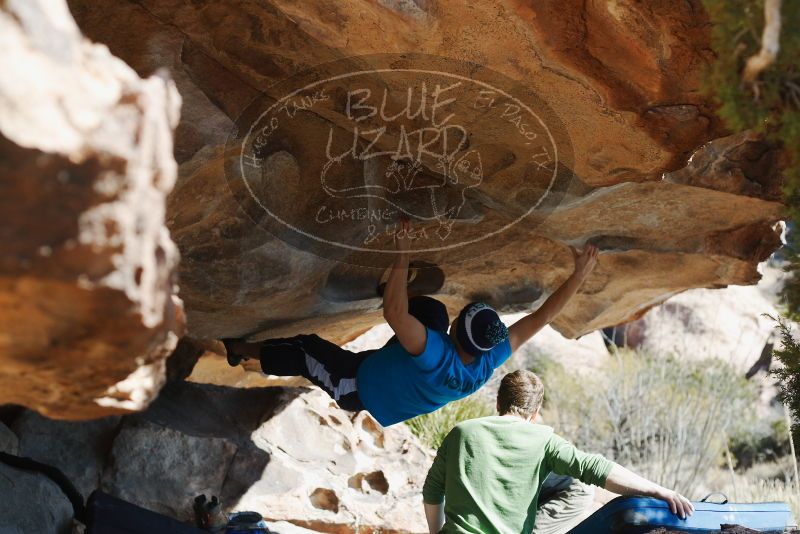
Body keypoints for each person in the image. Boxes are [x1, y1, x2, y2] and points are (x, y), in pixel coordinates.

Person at [224, 219, 599, 426]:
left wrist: (402, 251)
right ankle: (395, 287)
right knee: (431, 313)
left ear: (456, 334)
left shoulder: (435, 351)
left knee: (305, 348)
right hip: (403, 366)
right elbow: (540, 318)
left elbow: (394, 315)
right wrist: (579, 275)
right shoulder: (486, 361)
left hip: (357, 386)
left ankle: (239, 350)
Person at [422, 370, 694, 534]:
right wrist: (660, 491)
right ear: (536, 412)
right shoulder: (544, 440)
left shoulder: (462, 431)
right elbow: (598, 470)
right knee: (581, 488)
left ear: (498, 401)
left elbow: (432, 490)